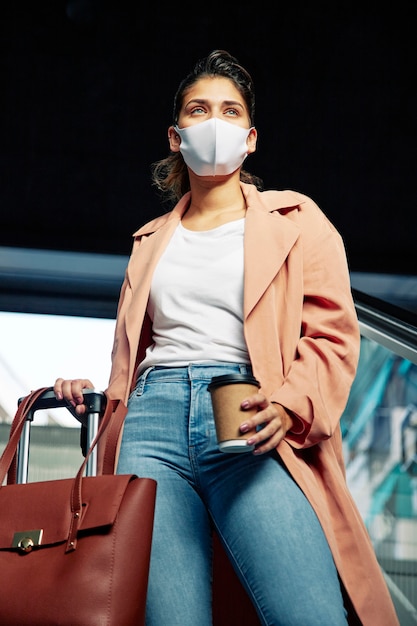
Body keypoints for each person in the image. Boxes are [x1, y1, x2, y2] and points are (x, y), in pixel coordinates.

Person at [54, 50, 399, 626]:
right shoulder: (148, 242)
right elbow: (140, 356)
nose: (215, 122)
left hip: (247, 414)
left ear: (251, 137)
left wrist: (289, 405)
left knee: (309, 614)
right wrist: (98, 395)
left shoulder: (297, 220)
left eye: (230, 111)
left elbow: (333, 336)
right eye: (198, 109)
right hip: (151, 428)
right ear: (175, 136)